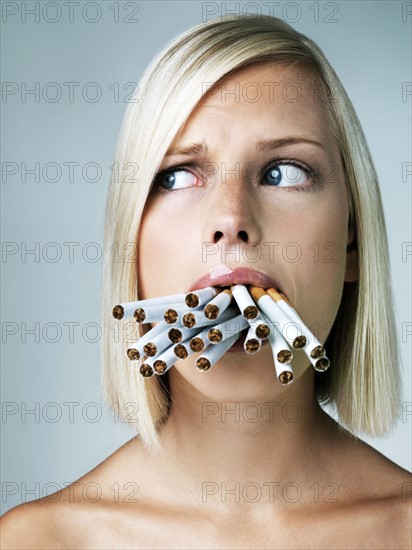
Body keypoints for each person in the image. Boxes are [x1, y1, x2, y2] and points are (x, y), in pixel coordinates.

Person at [1, 14, 411, 549]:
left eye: (283, 172)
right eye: (177, 176)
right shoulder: (38, 541)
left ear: (352, 243)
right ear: (132, 244)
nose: (231, 218)